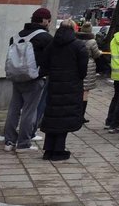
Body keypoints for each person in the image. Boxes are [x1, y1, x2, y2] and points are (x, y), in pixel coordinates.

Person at [4, 7, 53, 152]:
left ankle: (9, 141)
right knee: (29, 111)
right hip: (34, 78)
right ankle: (23, 143)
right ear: (44, 20)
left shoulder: (17, 36)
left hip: (16, 77)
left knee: (13, 109)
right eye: (49, 20)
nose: (49, 23)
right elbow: (50, 58)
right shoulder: (45, 38)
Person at [38, 20, 88, 161]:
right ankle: (59, 150)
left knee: (53, 115)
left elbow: (44, 63)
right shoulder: (78, 46)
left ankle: (48, 149)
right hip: (71, 86)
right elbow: (83, 69)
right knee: (65, 117)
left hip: (54, 84)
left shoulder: (51, 45)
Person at [76, 22, 102, 123]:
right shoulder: (92, 41)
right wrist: (99, 52)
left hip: (77, 64)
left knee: (77, 90)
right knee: (85, 92)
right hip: (89, 65)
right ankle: (81, 116)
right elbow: (96, 54)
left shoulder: (76, 39)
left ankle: (75, 113)